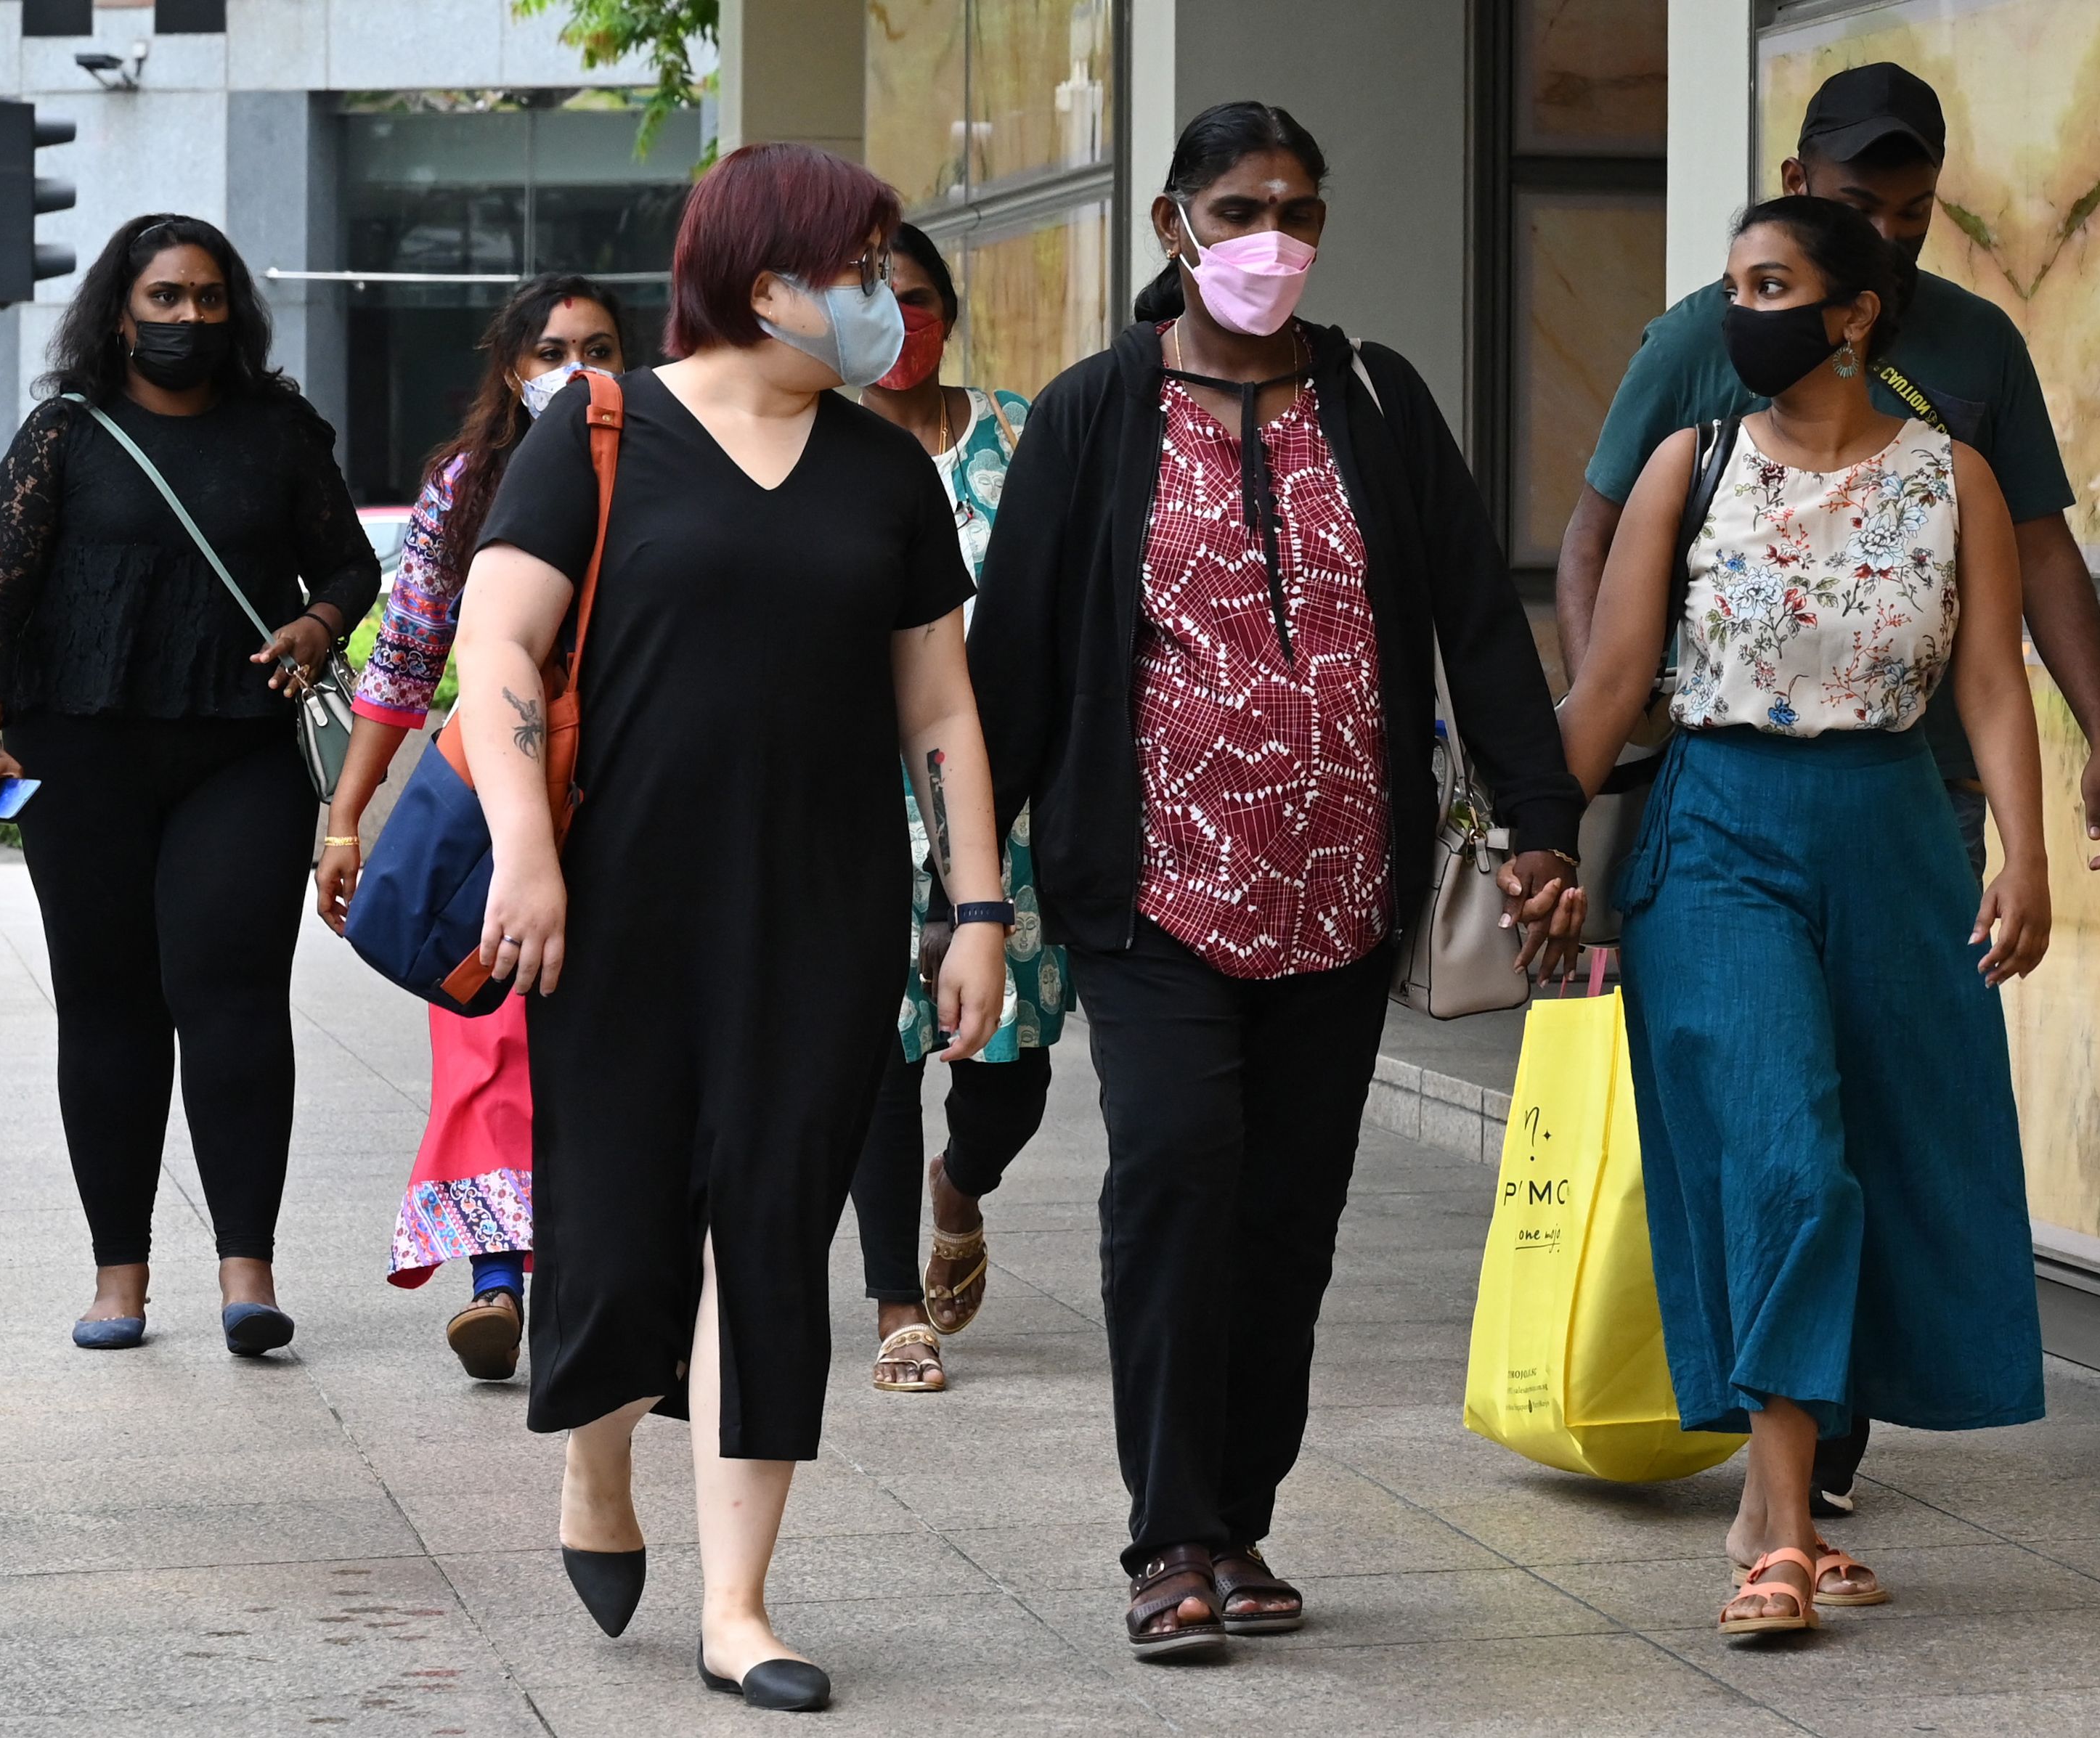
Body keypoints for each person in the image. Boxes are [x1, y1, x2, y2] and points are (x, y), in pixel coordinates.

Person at [969, 101, 1584, 1659]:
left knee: (1287, 1220)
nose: (1272, 243)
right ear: (1175, 223)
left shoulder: (1376, 398)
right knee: (1173, 1181)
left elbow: (1478, 627)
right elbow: (1014, 671)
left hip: (1336, 898)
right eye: (1240, 210)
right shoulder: (1093, 415)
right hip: (1152, 889)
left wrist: (1539, 824)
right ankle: (1166, 1532)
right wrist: (970, 883)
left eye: (1298, 214)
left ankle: (1236, 1517)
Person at [455, 143, 1007, 1711]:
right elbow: (499, 645)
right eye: (858, 271)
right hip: (613, 904)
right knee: (623, 1222)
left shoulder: (883, 471)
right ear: (764, 282)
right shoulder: (599, 428)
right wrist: (526, 856)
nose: (882, 303)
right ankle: (596, 1465)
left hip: (820, 913)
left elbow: (939, 704)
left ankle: (739, 1608)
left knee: (771, 1236)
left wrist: (974, 906)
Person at [1555, 59, 2100, 1515]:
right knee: (1779, 1141)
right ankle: (1779, 1489)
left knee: (1872, 1138)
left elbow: (2011, 628)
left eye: (1909, 206)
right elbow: (1605, 593)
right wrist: (1530, 823)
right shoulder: (1694, 372)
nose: (1886, 223)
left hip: (1901, 813)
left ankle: (1813, 1456)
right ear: (1802, 177)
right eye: (1855, 199)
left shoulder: (1965, 410)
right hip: (1720, 815)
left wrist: (2063, 793)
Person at [0, 213, 380, 1356]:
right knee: (105, 999)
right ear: (119, 312)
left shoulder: (278, 430)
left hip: (239, 750)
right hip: (76, 755)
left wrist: (320, 618)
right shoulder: (65, 434)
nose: (187, 318)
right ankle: (119, 1275)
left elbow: (350, 556)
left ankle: (249, 1269)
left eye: (207, 298)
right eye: (164, 299)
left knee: (230, 987)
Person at [312, 274, 628, 1383]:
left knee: (607, 1045)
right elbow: (404, 660)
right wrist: (345, 819)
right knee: (484, 1024)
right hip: (498, 783)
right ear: (511, 368)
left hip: (631, 784)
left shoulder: (660, 463)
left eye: (599, 346)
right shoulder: (464, 485)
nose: (576, 369)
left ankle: (598, 1269)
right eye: (552, 350)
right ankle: (497, 1279)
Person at [848, 224, 1064, 1395]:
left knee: (1009, 1071)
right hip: (858, 800)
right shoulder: (814, 448)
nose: (901, 321)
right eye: (877, 301)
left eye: (920, 298)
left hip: (1005, 799)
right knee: (879, 1053)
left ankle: (960, 1185)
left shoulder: (1019, 435)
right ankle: (896, 1303)